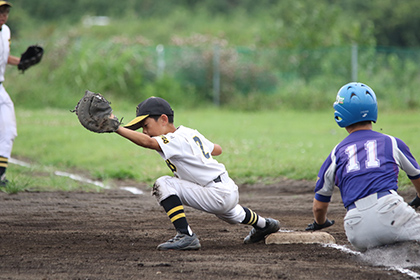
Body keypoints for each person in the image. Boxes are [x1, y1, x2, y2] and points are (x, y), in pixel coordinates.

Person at [115, 96, 280, 250]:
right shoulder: (189, 132)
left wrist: (117, 128)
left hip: (216, 193)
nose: (144, 131)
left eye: (146, 125)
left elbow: (149, 142)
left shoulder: (174, 139)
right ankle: (264, 225)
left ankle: (186, 235)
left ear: (163, 119)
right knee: (230, 214)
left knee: (163, 184)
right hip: (226, 188)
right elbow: (217, 149)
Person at [305, 82, 420, 251]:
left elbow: (319, 206)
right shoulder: (392, 142)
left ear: (340, 115)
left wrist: (319, 223)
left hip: (356, 229)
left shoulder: (335, 154)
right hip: (392, 214)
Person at [0, 1, 21, 187]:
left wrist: (22, 61)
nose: (3, 15)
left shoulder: (5, 31)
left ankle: (1, 175)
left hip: (0, 88)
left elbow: (3, 57)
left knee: (9, 130)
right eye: (0, 11)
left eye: (5, 11)